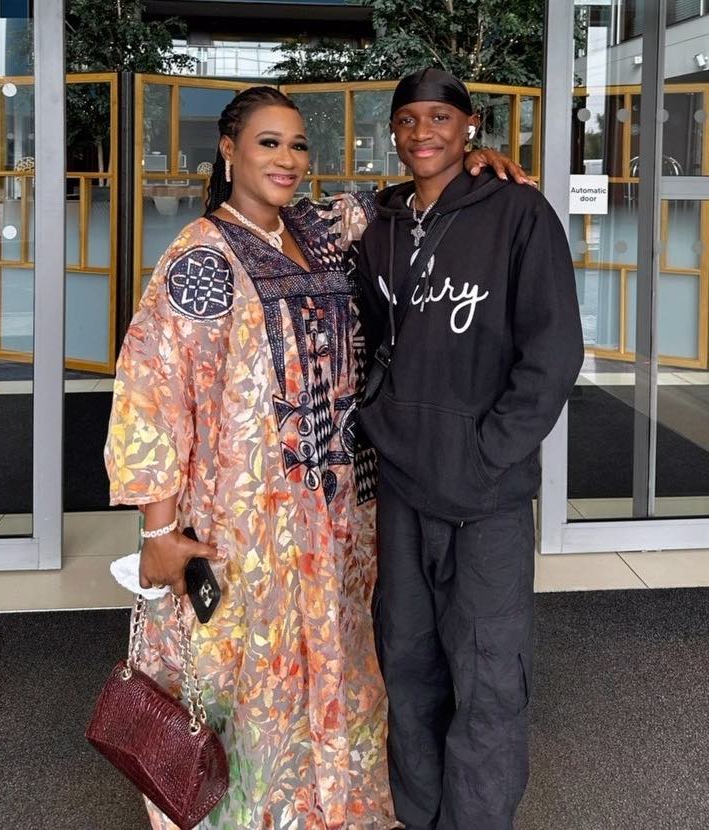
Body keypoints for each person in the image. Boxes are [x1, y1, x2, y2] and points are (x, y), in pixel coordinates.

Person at [104, 85, 529, 830]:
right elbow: (154, 392)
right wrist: (159, 530)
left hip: (342, 515)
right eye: (268, 142)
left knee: (348, 658)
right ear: (229, 151)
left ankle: (339, 811)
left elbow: (411, 189)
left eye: (298, 145)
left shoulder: (323, 227)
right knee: (257, 678)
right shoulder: (201, 258)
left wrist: (471, 158)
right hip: (249, 519)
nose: (288, 159)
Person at [356, 68, 584, 830]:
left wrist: (488, 454)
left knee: (489, 680)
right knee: (409, 667)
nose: (422, 132)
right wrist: (381, 421)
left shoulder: (519, 213)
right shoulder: (379, 225)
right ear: (394, 132)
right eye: (408, 120)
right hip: (403, 492)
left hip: (485, 500)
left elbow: (553, 352)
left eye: (440, 118)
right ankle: (419, 816)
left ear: (470, 127)